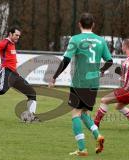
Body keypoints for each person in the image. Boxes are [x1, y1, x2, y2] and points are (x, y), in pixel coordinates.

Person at [49, 13, 113, 156]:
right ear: (93, 25)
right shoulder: (100, 41)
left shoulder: (75, 40)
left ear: (79, 24)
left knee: (75, 114)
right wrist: (101, 71)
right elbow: (110, 61)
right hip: (93, 83)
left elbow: (65, 60)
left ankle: (82, 148)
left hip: (79, 82)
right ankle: (98, 135)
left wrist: (54, 77)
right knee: (84, 112)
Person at [94, 38, 129, 131]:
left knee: (104, 100)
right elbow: (127, 74)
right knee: (118, 106)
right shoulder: (128, 59)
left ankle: (95, 124)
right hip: (128, 89)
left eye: (122, 46)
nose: (121, 47)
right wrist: (120, 74)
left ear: (125, 46)